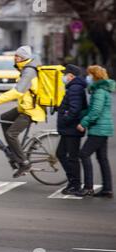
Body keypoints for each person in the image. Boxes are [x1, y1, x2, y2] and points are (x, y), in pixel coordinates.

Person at [0, 46, 46, 178]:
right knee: (4, 117)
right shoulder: (25, 69)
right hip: (24, 107)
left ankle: (24, 163)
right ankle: (15, 153)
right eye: (15, 55)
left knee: (11, 134)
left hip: (31, 110)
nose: (15, 58)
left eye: (17, 56)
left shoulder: (29, 71)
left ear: (24, 58)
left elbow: (17, 92)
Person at [76, 65, 114, 198]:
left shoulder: (99, 91)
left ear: (95, 76)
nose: (88, 78)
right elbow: (93, 109)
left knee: (83, 154)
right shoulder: (102, 90)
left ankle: (88, 187)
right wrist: (80, 114)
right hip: (102, 129)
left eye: (89, 75)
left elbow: (96, 111)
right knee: (102, 158)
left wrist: (83, 123)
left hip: (99, 129)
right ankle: (107, 189)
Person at [56, 64, 88, 195]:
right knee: (61, 154)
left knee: (72, 157)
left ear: (71, 76)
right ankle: (73, 182)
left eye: (65, 74)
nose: (63, 77)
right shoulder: (74, 87)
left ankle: (75, 184)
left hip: (72, 129)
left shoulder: (75, 88)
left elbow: (74, 109)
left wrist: (65, 118)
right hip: (69, 129)